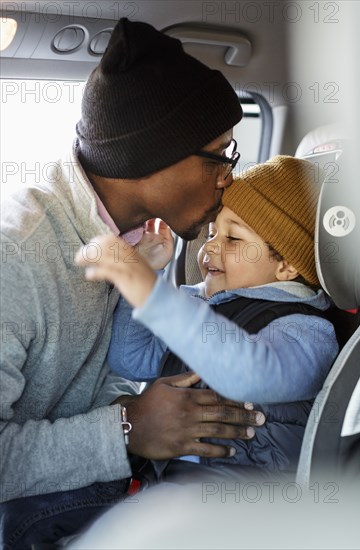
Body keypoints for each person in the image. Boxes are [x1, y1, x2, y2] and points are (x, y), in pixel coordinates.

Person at [0, 17, 264, 550]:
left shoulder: (147, 238)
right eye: (219, 154)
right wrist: (129, 428)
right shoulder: (16, 257)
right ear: (151, 158)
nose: (228, 176)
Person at [76, 155, 339, 481]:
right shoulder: (198, 303)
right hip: (173, 482)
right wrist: (150, 274)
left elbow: (252, 373)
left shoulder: (306, 329)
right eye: (212, 233)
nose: (210, 247)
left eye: (233, 238)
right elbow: (131, 358)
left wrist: (153, 296)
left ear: (286, 265)